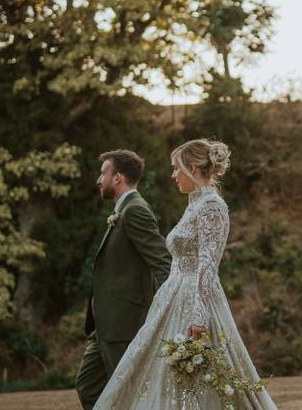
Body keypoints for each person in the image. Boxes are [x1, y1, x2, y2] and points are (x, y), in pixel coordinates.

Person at [93, 138, 278, 409]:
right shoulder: (194, 205)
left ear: (192, 167)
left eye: (176, 168)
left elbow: (207, 266)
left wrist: (199, 317)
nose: (173, 175)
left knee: (201, 379)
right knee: (159, 373)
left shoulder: (212, 207)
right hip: (172, 296)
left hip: (195, 301)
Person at [76, 149, 172, 410]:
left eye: (103, 173)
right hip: (104, 324)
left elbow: (162, 262)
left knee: (131, 394)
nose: (99, 179)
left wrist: (166, 311)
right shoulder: (123, 210)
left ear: (117, 177)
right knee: (88, 386)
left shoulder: (136, 211)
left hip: (125, 323)